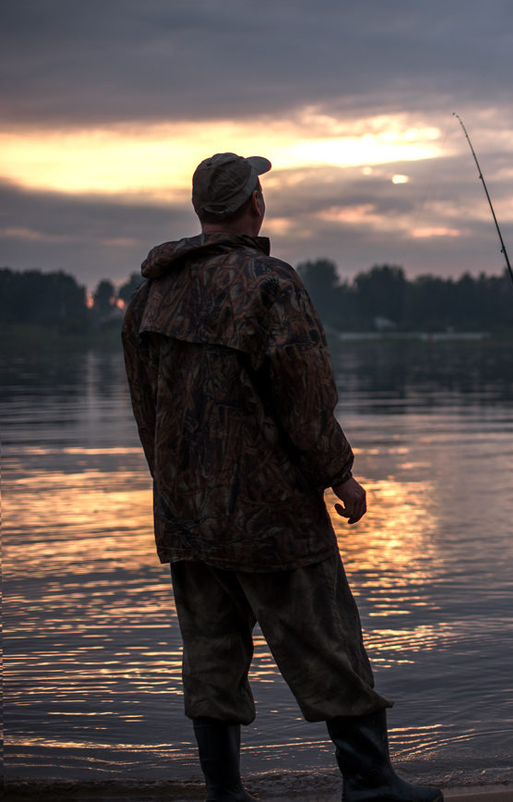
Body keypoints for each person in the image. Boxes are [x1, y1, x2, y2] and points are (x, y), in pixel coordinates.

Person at [122, 153, 442, 802]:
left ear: (199, 209)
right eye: (259, 188)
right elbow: (305, 398)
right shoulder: (271, 284)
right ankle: (371, 784)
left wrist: (175, 490)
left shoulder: (150, 295)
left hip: (186, 515)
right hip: (272, 515)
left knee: (210, 652)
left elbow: (145, 411)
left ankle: (225, 794)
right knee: (327, 642)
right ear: (254, 202)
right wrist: (341, 476)